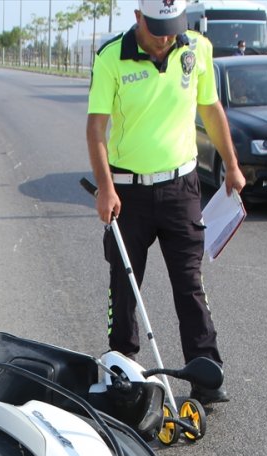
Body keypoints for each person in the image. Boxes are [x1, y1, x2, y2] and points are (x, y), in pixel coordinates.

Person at [86, 0, 245, 405]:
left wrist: (231, 164)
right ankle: (123, 366)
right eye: (158, 27)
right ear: (137, 17)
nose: (166, 37)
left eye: (172, 27)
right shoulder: (111, 58)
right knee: (125, 285)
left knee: (190, 285)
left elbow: (209, 108)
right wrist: (106, 187)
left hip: (182, 188)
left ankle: (206, 372)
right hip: (128, 193)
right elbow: (96, 128)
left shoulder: (196, 49)